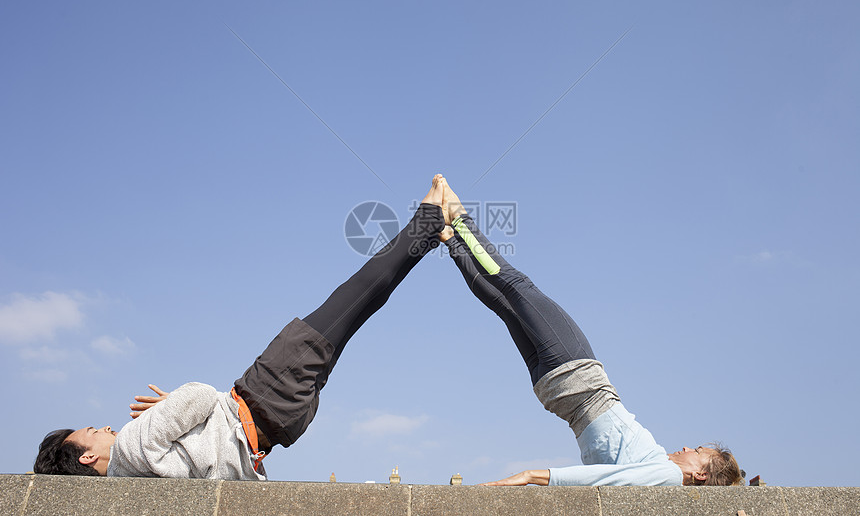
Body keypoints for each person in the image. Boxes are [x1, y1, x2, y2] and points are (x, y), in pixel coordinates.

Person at [33, 175, 448, 479]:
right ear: (86, 457)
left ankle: (432, 229)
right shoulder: (130, 443)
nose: (104, 427)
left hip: (278, 431)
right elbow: (197, 397)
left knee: (358, 311)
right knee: (354, 299)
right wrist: (168, 405)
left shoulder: (136, 483)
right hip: (265, 392)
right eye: (92, 431)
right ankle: (429, 220)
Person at [435, 178, 743, 486]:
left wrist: (532, 475)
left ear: (701, 473)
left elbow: (597, 477)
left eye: (698, 452)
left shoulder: (668, 475)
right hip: (553, 391)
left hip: (577, 373)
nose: (688, 447)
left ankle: (460, 217)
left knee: (517, 287)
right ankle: (450, 238)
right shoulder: (655, 470)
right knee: (506, 306)